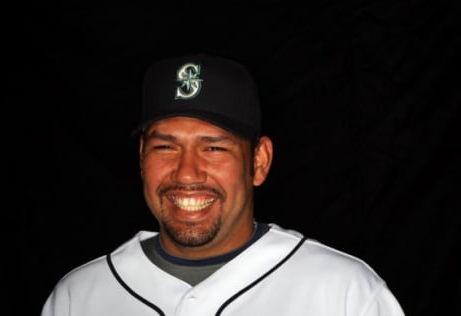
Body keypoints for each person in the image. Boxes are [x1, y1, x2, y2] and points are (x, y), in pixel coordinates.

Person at [41, 53, 405, 316]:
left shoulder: (344, 293)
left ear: (258, 162)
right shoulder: (78, 298)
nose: (186, 173)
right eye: (165, 147)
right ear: (140, 159)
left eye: (214, 147)